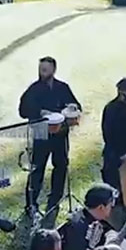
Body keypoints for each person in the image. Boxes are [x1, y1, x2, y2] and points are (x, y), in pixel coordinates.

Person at [19, 56, 81, 216]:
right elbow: (23, 110)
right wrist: (40, 112)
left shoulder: (62, 87)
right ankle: (31, 204)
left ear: (53, 70)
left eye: (45, 70)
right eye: (41, 69)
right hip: (42, 134)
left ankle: (55, 199)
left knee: (61, 165)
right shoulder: (34, 89)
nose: (42, 72)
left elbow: (75, 106)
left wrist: (71, 109)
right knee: (37, 168)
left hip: (60, 134)